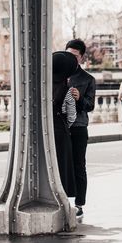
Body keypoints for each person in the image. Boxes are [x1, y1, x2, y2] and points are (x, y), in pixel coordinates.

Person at [65, 39, 96, 219]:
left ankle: (79, 204)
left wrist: (79, 98)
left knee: (78, 166)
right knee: (60, 165)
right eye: (68, 55)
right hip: (60, 127)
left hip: (78, 127)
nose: (71, 59)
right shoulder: (57, 75)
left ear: (81, 58)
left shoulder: (88, 79)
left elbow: (90, 106)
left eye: (75, 56)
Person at [52, 51, 79, 198]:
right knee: (62, 166)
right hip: (60, 132)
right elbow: (71, 116)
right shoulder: (68, 91)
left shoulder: (42, 88)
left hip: (45, 131)